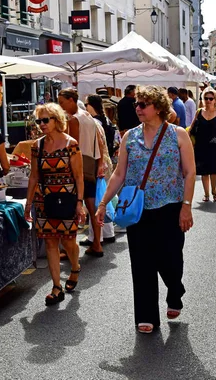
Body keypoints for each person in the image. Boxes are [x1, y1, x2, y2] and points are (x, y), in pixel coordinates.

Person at [95, 85, 196, 334]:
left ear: (159, 108)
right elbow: (120, 174)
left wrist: (186, 206)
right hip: (138, 209)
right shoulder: (130, 136)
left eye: (143, 104)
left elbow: (189, 172)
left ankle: (175, 291)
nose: (137, 108)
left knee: (171, 259)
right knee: (141, 262)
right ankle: (146, 315)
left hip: (170, 206)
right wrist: (103, 202)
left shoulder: (178, 134)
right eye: (136, 104)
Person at [24, 103, 85, 305]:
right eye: (38, 120)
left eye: (45, 120)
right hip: (44, 200)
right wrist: (28, 203)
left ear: (57, 120)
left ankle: (75, 267)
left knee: (68, 242)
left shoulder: (71, 144)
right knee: (50, 242)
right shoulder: (37, 146)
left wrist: (79, 202)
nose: (41, 124)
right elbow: (33, 176)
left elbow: (79, 176)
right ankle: (56, 286)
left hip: (67, 199)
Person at [58, 88, 107, 257]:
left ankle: (67, 249)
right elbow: (100, 142)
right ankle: (97, 244)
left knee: (72, 205)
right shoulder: (88, 117)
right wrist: (99, 163)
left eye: (62, 102)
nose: (60, 106)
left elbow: (73, 146)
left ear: (71, 100)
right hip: (91, 163)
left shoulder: (74, 119)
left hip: (78, 166)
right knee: (92, 206)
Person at [82, 94, 116, 246]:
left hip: (98, 164)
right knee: (103, 198)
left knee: (96, 201)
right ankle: (108, 233)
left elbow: (98, 145)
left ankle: (96, 237)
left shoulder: (92, 122)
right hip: (105, 162)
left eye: (86, 103)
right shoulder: (106, 120)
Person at [191, 87, 216, 202]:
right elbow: (191, 128)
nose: (208, 100)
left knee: (213, 169)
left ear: (215, 100)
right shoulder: (199, 112)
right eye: (206, 98)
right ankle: (206, 194)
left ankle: (214, 191)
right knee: (203, 170)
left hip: (214, 144)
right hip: (200, 144)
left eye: (211, 98)